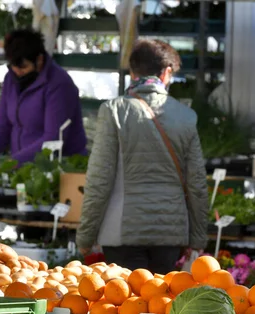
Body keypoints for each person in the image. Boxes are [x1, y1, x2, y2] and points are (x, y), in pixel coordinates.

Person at [76, 39, 208, 274]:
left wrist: (85, 237)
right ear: (167, 72)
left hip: (122, 234)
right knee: (160, 304)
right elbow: (197, 183)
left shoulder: (114, 111)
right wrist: (197, 239)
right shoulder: (186, 116)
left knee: (126, 305)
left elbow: (99, 180)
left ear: (132, 72)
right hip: (170, 233)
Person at [0, 29, 87, 169]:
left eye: (23, 67)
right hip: (23, 168)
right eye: (13, 66)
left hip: (58, 168)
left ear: (39, 60)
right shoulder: (11, 80)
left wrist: (11, 163)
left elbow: (52, 139)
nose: (17, 72)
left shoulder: (59, 85)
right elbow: (2, 124)